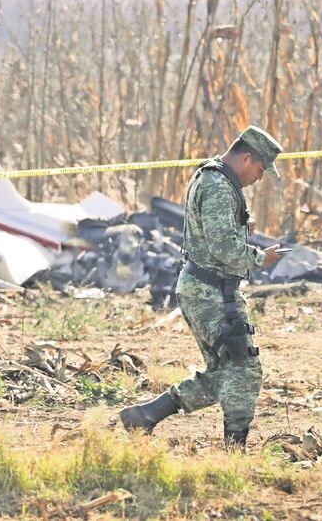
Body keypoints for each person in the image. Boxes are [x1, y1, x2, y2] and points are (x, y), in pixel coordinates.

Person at [118, 126, 287, 448]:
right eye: (260, 169)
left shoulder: (212, 176)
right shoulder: (219, 186)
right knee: (243, 370)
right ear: (247, 157)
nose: (259, 178)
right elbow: (223, 247)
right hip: (211, 292)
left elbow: (213, 231)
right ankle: (234, 451)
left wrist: (240, 225)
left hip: (207, 288)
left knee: (226, 371)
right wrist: (259, 258)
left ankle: (146, 415)